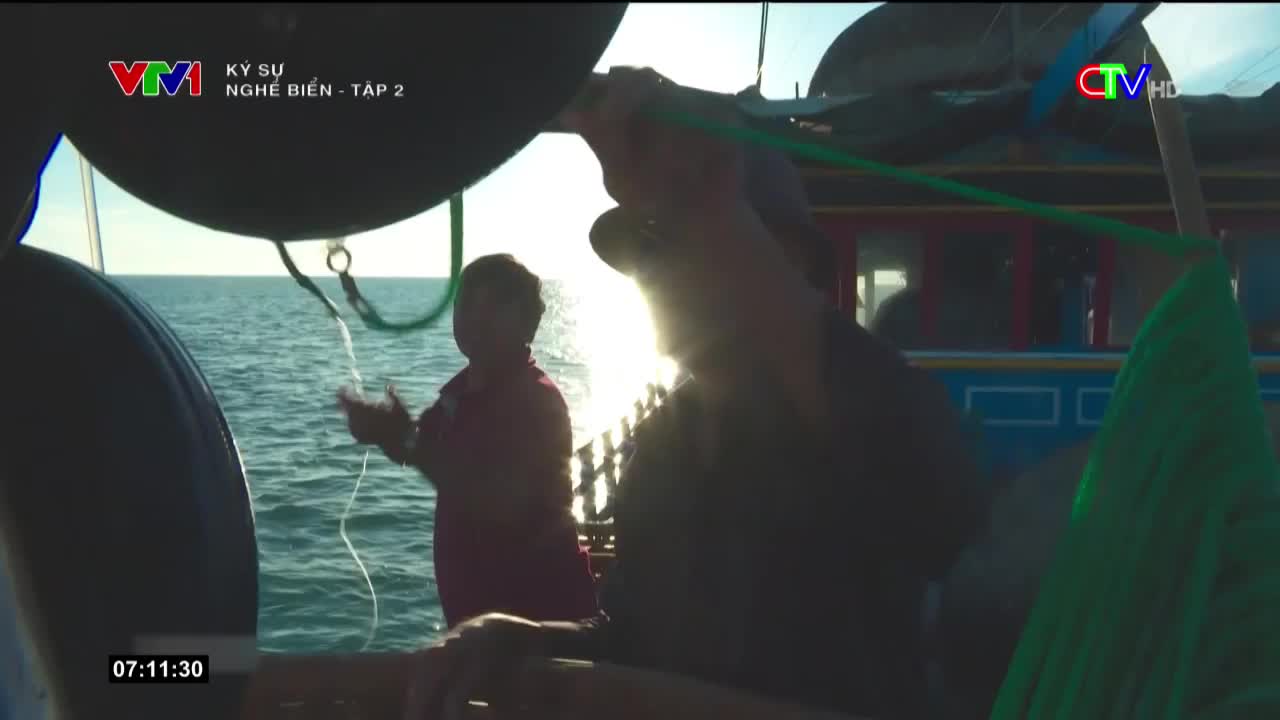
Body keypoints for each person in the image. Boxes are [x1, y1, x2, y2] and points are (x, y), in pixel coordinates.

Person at [403, 67, 991, 720]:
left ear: (785, 261)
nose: (657, 276)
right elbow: (635, 640)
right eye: (647, 257)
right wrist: (517, 638)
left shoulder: (855, 408)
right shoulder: (665, 442)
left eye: (681, 242)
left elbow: (944, 512)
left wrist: (713, 204)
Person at [337, 253, 597, 629]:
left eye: (492, 306)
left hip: (540, 624)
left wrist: (406, 440)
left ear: (528, 323)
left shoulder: (536, 400)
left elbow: (501, 500)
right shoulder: (457, 394)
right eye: (465, 304)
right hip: (480, 624)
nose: (475, 318)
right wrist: (382, 432)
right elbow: (421, 450)